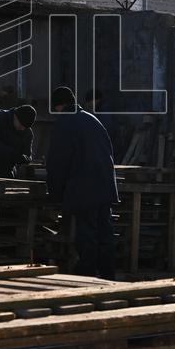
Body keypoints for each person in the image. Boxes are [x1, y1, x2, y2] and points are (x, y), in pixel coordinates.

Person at [45, 86, 119, 279]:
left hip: (84, 187)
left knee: (87, 234)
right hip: (105, 185)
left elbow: (57, 162)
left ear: (58, 106)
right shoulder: (91, 119)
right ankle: (108, 274)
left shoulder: (65, 122)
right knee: (105, 233)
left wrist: (55, 194)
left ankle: (87, 275)